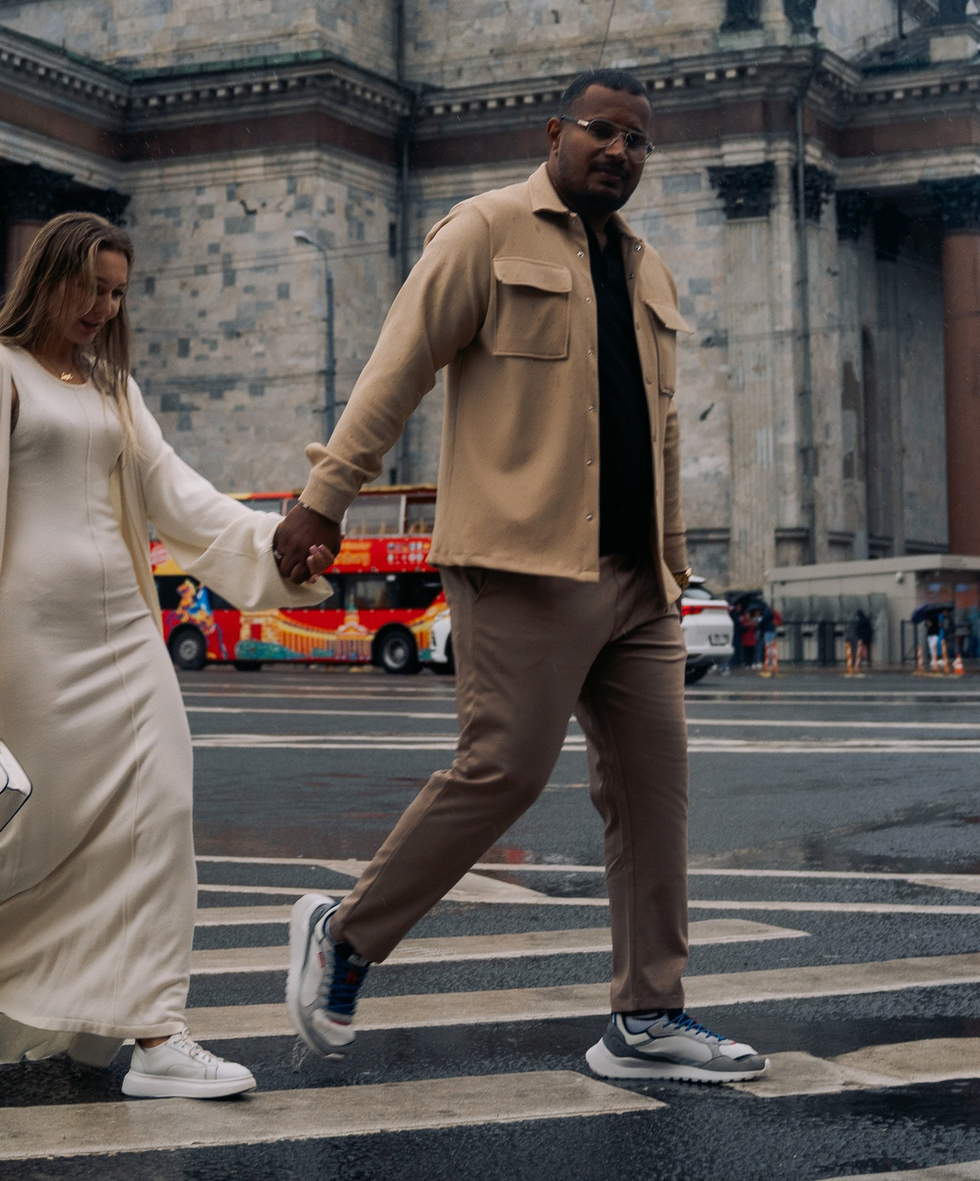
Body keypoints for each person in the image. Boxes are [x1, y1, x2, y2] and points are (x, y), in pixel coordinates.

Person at [270, 67, 768, 1084]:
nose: (619, 151)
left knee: (654, 793)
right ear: (554, 131)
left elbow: (660, 431)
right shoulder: (485, 230)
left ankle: (645, 1014)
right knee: (503, 767)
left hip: (636, 576)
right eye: (602, 131)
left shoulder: (650, 271)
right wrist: (326, 495)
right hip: (520, 562)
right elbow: (398, 363)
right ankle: (346, 932)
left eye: (637, 140)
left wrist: (670, 565)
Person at [0, 212, 334, 1100]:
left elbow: (180, 498)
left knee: (160, 809)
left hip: (124, 641)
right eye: (94, 288)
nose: (106, 308)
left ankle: (157, 1032)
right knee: (13, 846)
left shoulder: (116, 387)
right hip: (29, 652)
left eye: (119, 293)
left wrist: (274, 544)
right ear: (52, 277)